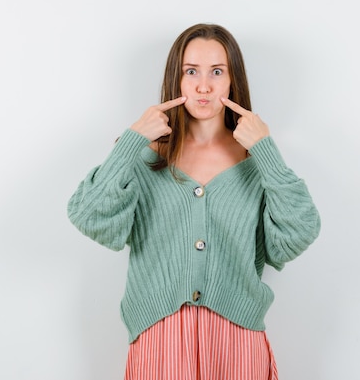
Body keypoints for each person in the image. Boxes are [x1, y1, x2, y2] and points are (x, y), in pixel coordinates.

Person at [67, 23, 321, 380]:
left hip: (238, 337)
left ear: (234, 81)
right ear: (177, 79)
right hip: (159, 335)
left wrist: (266, 151)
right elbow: (89, 216)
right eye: (191, 72)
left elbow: (296, 235)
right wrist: (130, 142)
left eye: (217, 72)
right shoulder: (142, 158)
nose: (204, 86)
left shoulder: (257, 162)